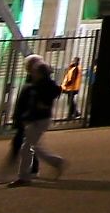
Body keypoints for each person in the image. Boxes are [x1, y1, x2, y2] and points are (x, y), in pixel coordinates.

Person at [7, 55, 67, 186]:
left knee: (27, 147)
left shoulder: (42, 85)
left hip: (39, 120)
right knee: (32, 146)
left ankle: (25, 176)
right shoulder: (38, 84)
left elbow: (51, 94)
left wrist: (43, 104)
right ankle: (52, 163)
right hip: (36, 119)